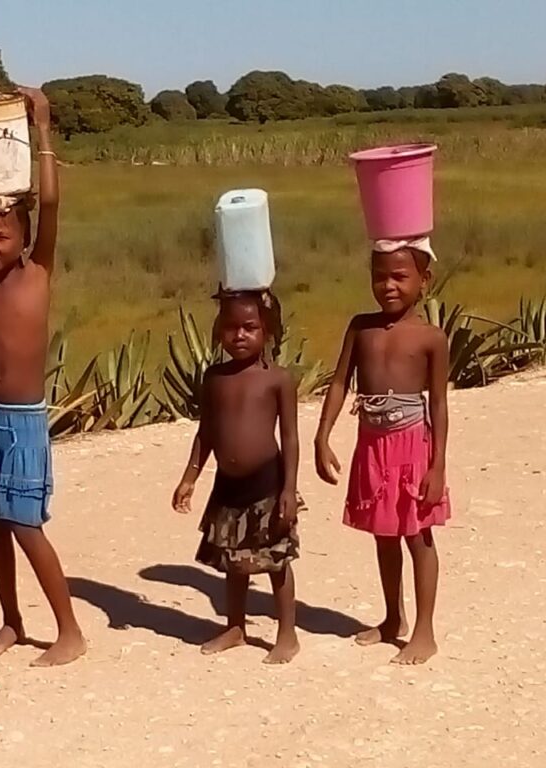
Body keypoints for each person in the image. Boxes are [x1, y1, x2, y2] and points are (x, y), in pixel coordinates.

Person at [0, 87, 86, 667]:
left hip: (23, 424)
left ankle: (70, 631)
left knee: (26, 526)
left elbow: (50, 203)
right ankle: (11, 619)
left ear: (24, 239)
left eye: (1, 236)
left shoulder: (38, 275)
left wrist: (42, 128)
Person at [314, 238, 450, 665]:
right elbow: (340, 382)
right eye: (379, 276)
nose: (388, 285)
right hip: (372, 443)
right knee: (384, 533)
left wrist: (438, 466)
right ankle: (393, 618)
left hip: (413, 444)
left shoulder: (431, 338)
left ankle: (425, 630)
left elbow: (439, 403)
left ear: (424, 280)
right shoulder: (362, 328)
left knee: (417, 534)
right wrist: (322, 434)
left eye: (399, 276)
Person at [172, 290, 302, 664]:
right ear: (218, 331)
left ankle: (287, 633)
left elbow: (290, 437)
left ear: (268, 331)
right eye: (230, 327)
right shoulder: (215, 378)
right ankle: (235, 627)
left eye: (250, 327)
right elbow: (206, 432)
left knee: (275, 559)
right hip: (228, 486)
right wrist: (189, 477)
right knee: (233, 559)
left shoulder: (278, 379)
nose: (239, 335)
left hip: (267, 483)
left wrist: (289, 489)